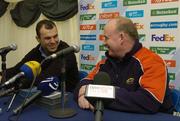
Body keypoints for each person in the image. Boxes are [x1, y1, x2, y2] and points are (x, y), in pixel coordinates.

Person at [74, 16, 175, 114]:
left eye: (106, 38)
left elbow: (149, 101)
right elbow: (83, 84)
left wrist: (94, 93)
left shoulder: (152, 61)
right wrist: (82, 95)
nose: (103, 42)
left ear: (121, 37)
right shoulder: (105, 63)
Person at [0, 19, 79, 92]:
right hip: (43, 95)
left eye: (55, 36)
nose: (53, 41)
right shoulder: (37, 51)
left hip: (68, 97)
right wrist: (1, 75)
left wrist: (11, 82)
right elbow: (18, 68)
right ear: (38, 39)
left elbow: (45, 78)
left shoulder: (66, 52)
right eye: (48, 38)